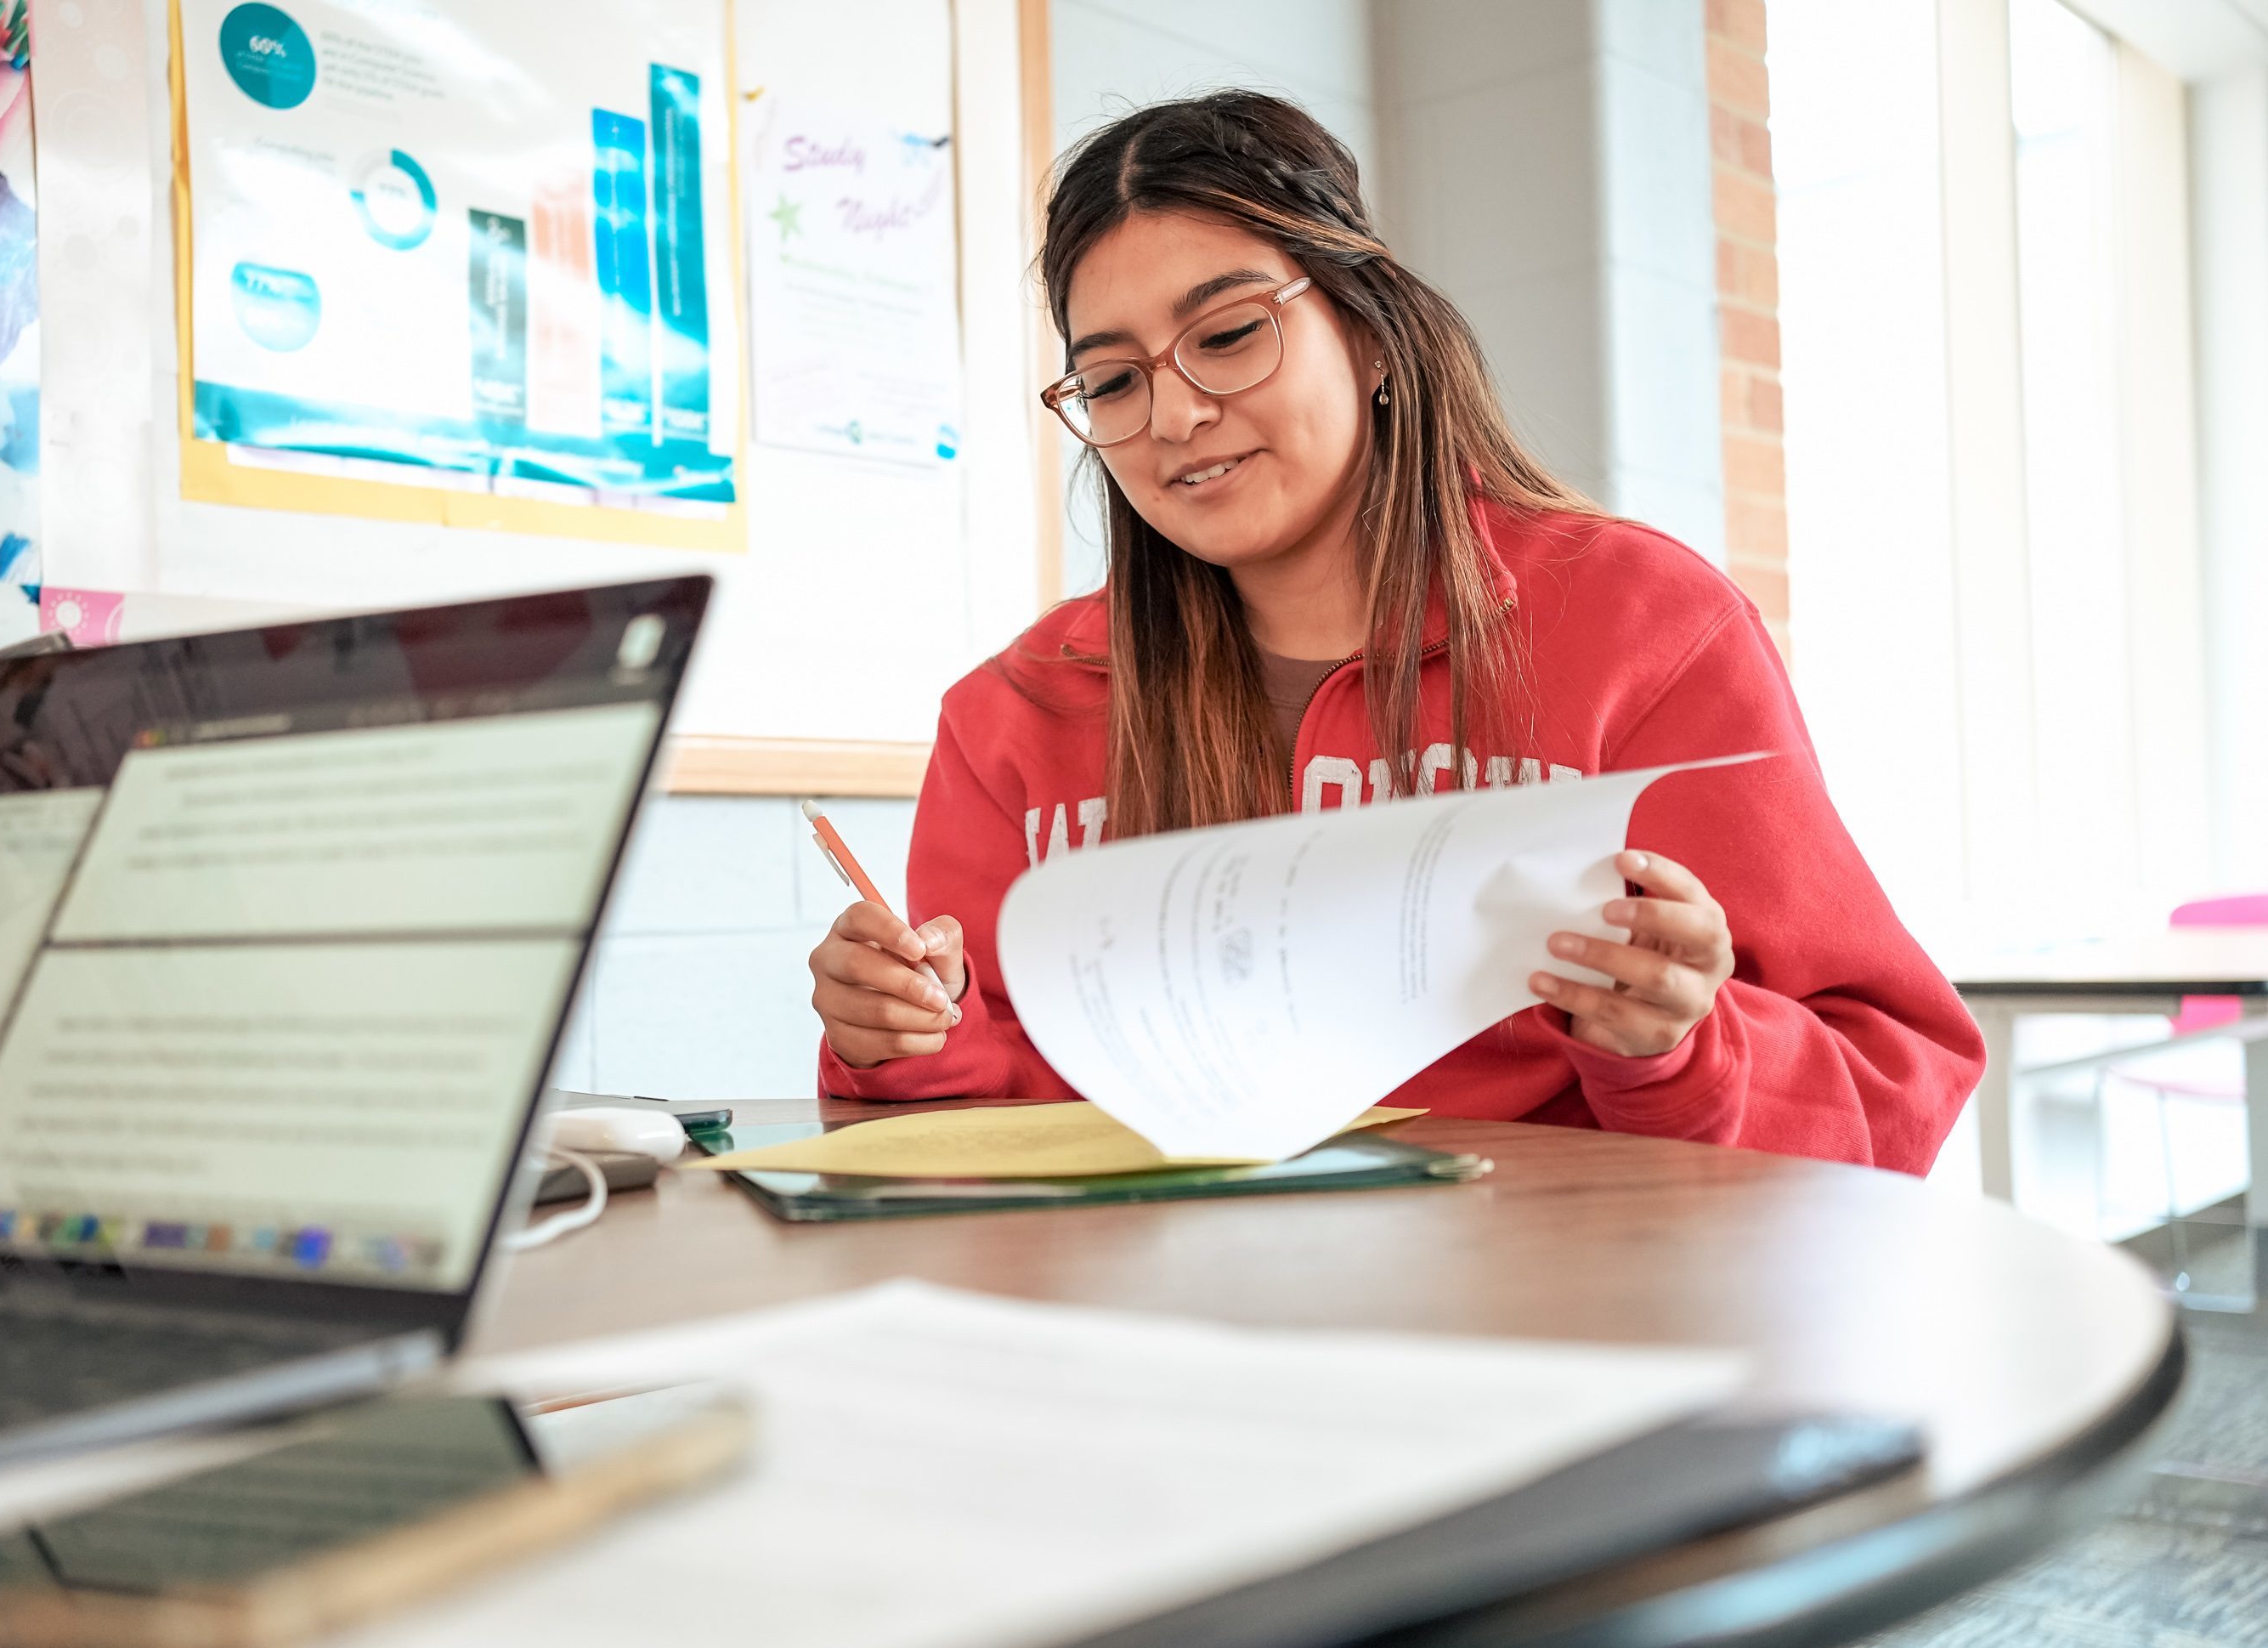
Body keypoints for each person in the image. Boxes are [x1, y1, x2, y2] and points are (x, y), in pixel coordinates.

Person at [806, 91, 1982, 1173]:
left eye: (1226, 337)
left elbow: (1897, 1082)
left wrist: (1683, 1048)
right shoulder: (1011, 712)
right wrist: (903, 1042)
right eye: (1111, 382)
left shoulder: (1643, 627)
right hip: (1167, 1354)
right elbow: (978, 1133)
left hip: (1568, 1336)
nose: (1171, 416)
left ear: (1368, 335)